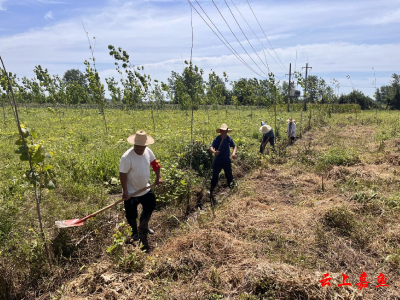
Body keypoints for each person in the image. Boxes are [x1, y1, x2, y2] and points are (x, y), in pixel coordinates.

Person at [120, 130, 163, 251]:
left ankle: (143, 227)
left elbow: (155, 164)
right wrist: (125, 191)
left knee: (150, 205)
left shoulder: (148, 151)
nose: (139, 149)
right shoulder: (127, 157)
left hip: (145, 188)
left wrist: (158, 177)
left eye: (142, 147)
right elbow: (122, 174)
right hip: (131, 192)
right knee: (131, 214)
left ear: (146, 145)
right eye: (137, 147)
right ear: (133, 144)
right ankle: (134, 234)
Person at [209, 123, 237, 201]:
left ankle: (232, 190)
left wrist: (233, 153)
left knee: (229, 176)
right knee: (214, 177)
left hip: (226, 161)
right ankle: (211, 192)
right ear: (220, 131)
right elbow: (211, 147)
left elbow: (234, 146)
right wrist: (214, 152)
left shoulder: (228, 138)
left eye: (225, 131)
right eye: (223, 131)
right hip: (217, 161)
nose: (224, 132)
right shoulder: (217, 139)